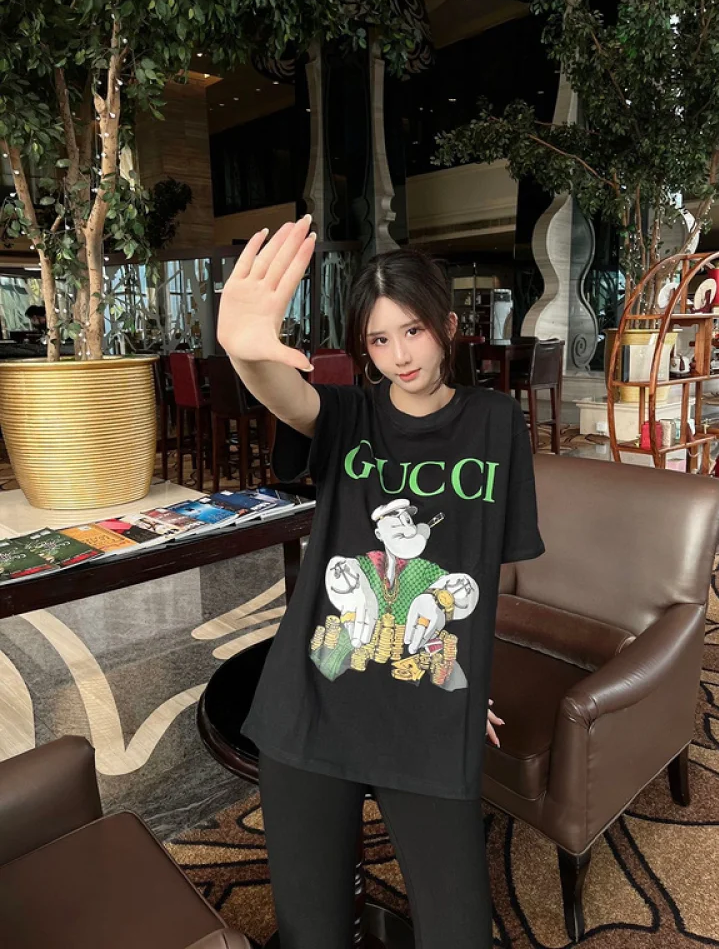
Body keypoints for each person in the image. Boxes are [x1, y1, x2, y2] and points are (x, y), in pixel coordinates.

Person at [217, 216, 545, 949]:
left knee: (458, 930)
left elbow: (486, 576)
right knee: (312, 932)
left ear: (448, 327)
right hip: (313, 693)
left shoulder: (496, 422)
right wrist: (244, 351)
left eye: (414, 331)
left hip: (425, 701)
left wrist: (467, 678)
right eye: (379, 340)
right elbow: (287, 397)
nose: (400, 355)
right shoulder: (348, 415)